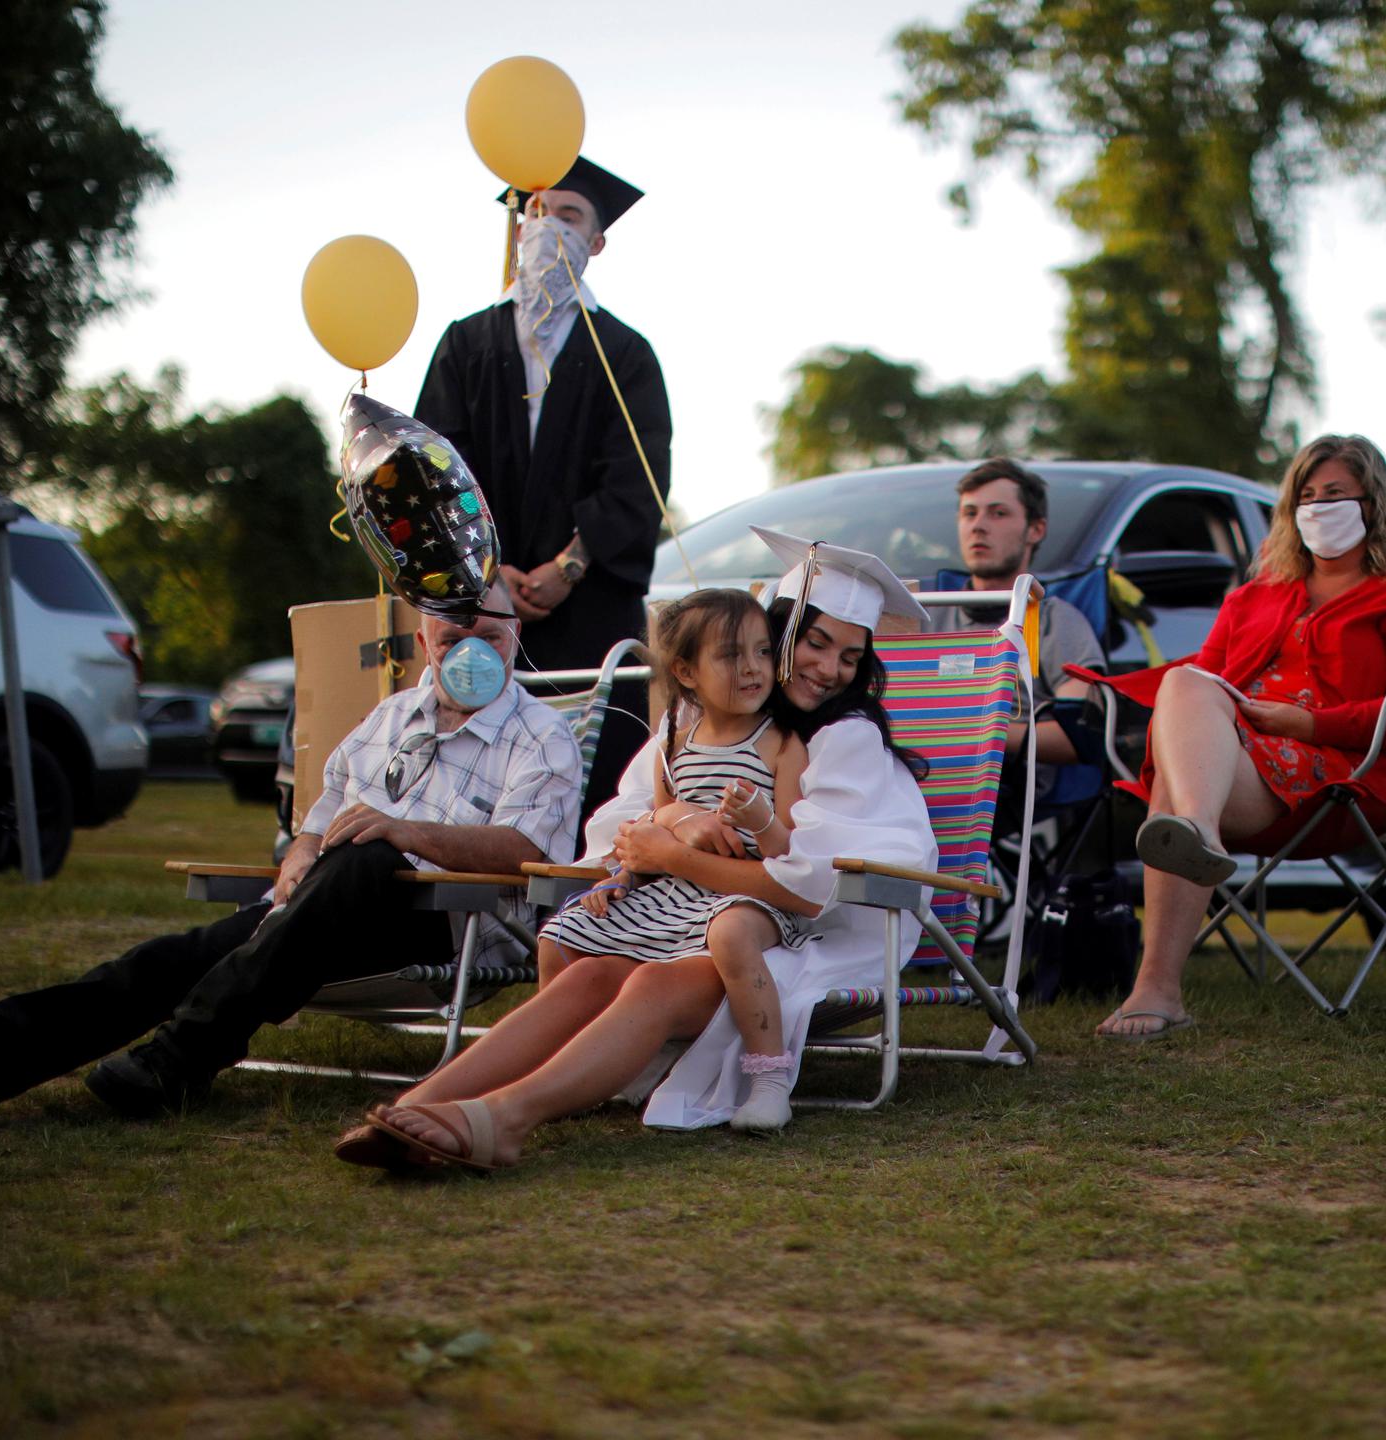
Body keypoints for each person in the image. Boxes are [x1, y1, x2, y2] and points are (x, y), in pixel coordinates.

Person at [0, 586, 584, 1128]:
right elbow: (322, 816)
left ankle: (187, 1050)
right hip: (322, 912)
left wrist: (407, 833)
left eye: (490, 634)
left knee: (362, 861)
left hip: (445, 918)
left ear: (516, 639)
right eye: (456, 633)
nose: (472, 651)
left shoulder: (542, 735)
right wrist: (299, 852)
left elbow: (527, 850)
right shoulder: (390, 717)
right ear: (425, 637)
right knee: (170, 960)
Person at [334, 531, 937, 1171]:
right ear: (778, 634)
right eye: (814, 643)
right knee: (592, 970)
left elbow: (807, 886)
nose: (828, 668)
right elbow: (627, 818)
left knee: (648, 980)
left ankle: (503, 1120)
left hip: (803, 938)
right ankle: (424, 1101)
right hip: (694, 915)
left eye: (850, 656)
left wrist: (673, 850)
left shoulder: (844, 738)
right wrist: (676, 816)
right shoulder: (712, 719)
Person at [1094, 434, 1386, 1040]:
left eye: (1335, 494)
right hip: (1243, 764)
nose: (1318, 507)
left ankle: (1158, 985)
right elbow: (1208, 685)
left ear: (1371, 505)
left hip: (1347, 777)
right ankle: (1197, 834)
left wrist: (1307, 724)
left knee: (1175, 786)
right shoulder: (1253, 597)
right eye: (1307, 495)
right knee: (1187, 682)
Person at [413, 156, 669, 822]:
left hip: (586, 614)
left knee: (597, 789)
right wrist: (488, 574)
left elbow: (637, 480)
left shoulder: (625, 353)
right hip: (477, 606)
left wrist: (568, 568)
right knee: (473, 780)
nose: (548, 226)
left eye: (569, 215)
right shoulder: (466, 343)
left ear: (598, 242)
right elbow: (433, 473)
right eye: (535, 212)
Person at [539, 588, 812, 1131]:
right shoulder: (672, 745)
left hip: (748, 894)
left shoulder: (780, 743)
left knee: (731, 934)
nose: (753, 668)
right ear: (686, 672)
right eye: (732, 656)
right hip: (675, 894)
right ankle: (574, 1059)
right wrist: (622, 879)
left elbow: (790, 853)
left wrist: (759, 820)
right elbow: (658, 839)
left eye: (762, 652)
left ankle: (769, 1076)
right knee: (560, 932)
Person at [930, 458, 1105, 797]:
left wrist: (973, 731)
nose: (979, 526)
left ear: (1035, 530)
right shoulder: (927, 615)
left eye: (998, 513)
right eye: (969, 513)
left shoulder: (1056, 622)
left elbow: (1078, 736)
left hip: (1002, 785)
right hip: (915, 771)